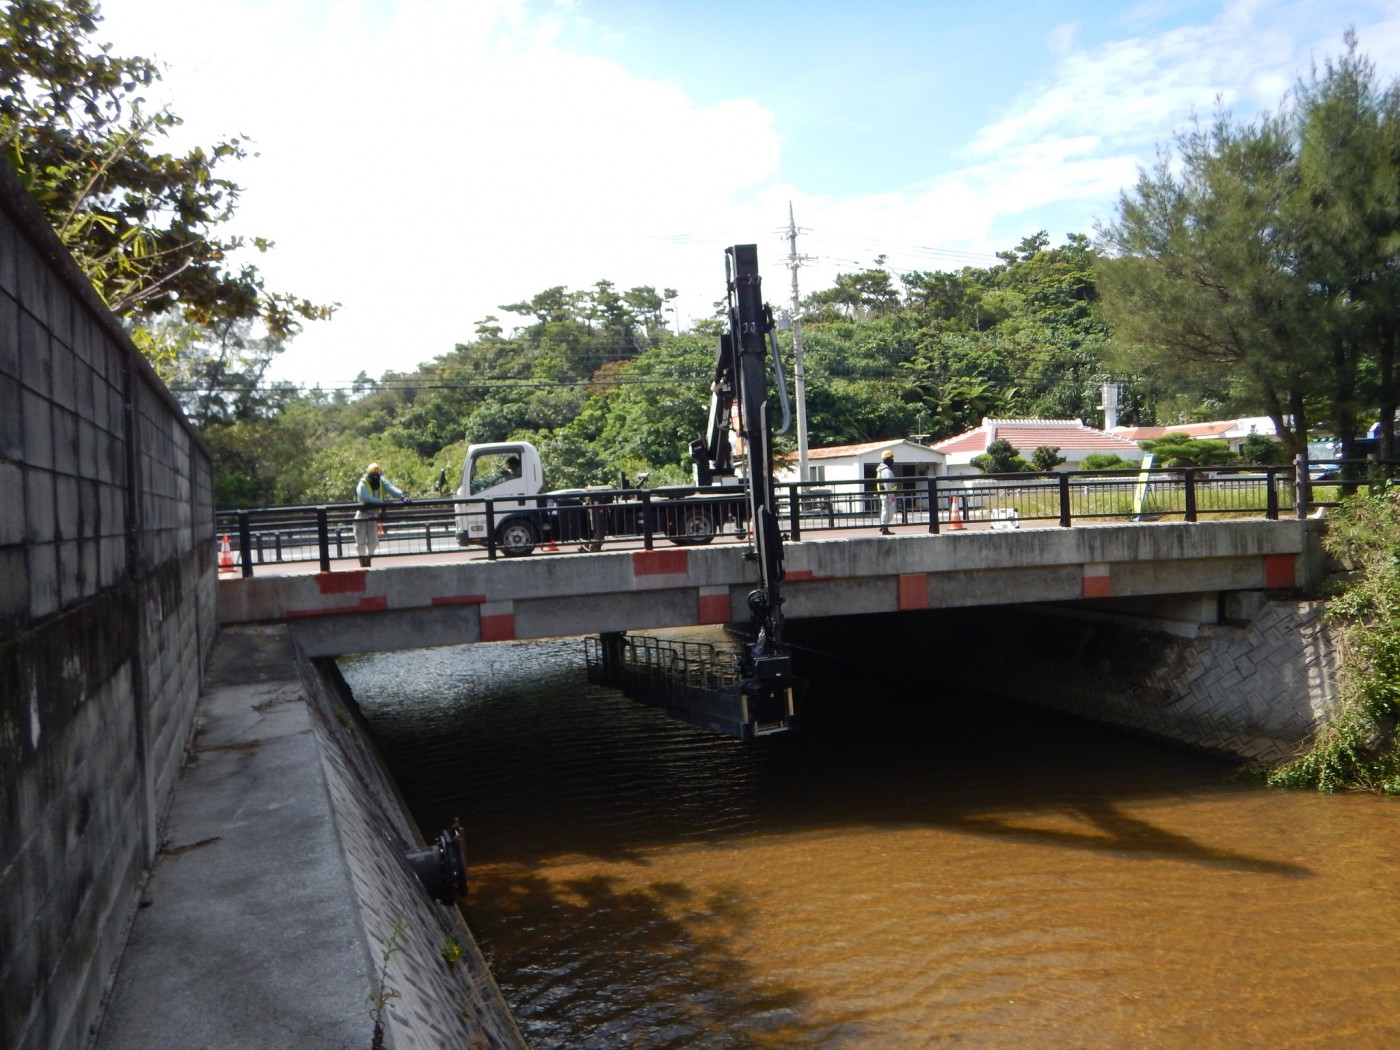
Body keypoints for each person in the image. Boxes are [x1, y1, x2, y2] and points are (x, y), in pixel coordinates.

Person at [354, 463, 408, 566]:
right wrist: (380, 502)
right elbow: (365, 498)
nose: (376, 476)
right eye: (374, 474)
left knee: (373, 541)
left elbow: (390, 487)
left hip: (373, 515)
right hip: (362, 515)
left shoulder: (380, 480)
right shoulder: (362, 484)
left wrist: (401, 496)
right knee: (360, 540)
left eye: (377, 474)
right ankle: (362, 560)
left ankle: (369, 559)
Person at [877, 449, 897, 535]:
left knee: (887, 511)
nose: (892, 460)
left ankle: (883, 527)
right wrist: (891, 496)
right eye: (891, 458)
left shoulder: (883, 470)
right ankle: (884, 528)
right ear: (886, 459)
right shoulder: (886, 471)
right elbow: (888, 484)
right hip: (887, 494)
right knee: (888, 511)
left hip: (885, 494)